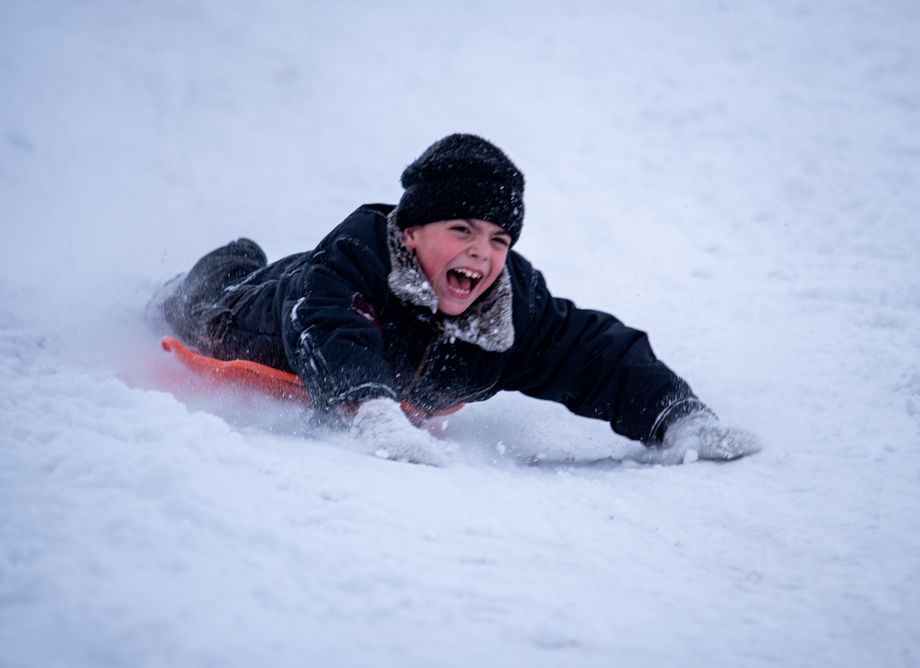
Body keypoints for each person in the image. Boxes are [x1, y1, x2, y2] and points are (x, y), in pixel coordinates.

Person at [153, 133, 760, 465]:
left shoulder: (508, 307)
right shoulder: (355, 261)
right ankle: (202, 271)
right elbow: (331, 328)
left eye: (498, 239)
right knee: (214, 290)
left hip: (345, 332)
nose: (481, 252)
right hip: (252, 318)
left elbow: (591, 353)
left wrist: (679, 416)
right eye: (462, 229)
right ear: (410, 233)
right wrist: (373, 412)